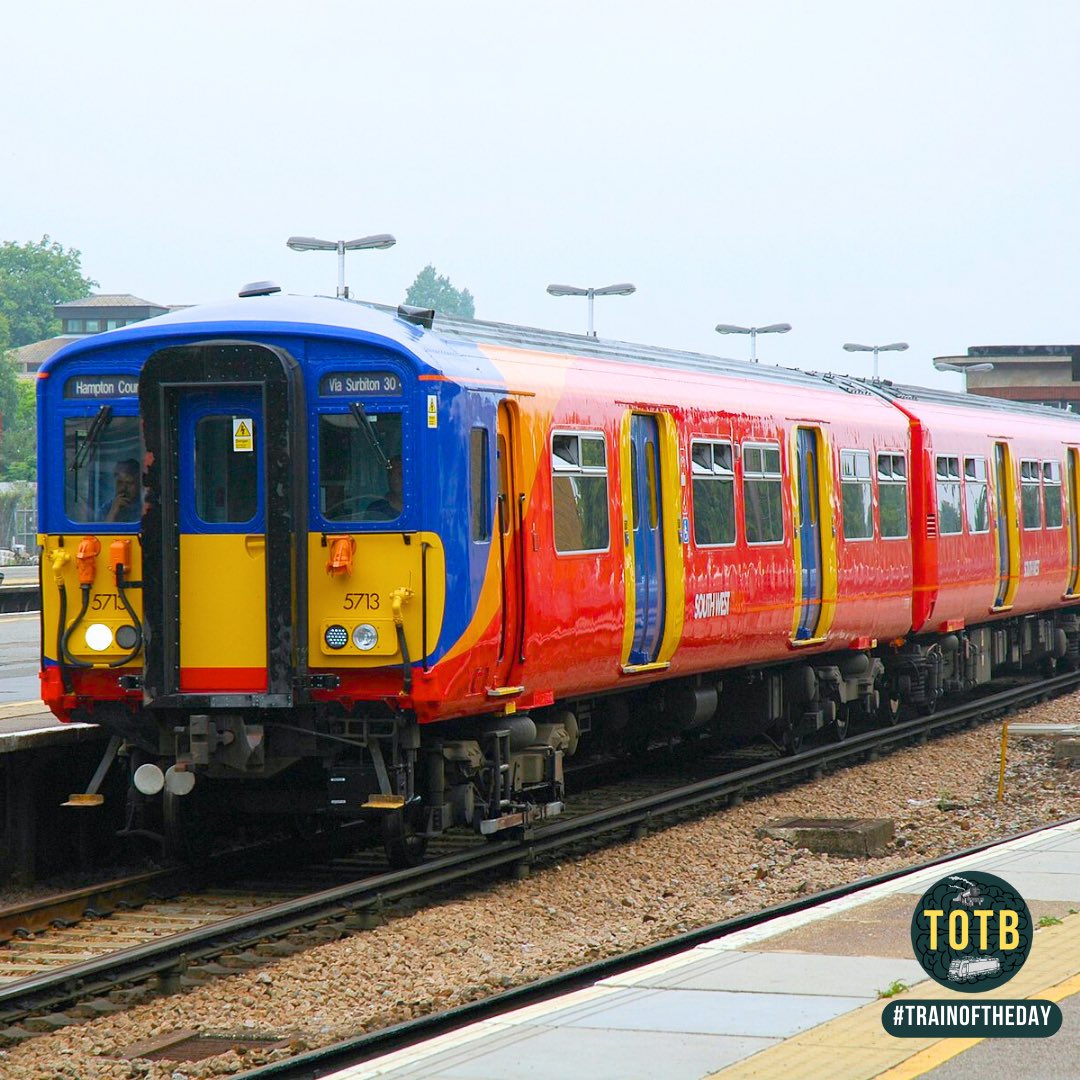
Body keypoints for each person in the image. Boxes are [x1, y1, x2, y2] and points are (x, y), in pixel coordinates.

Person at [364, 455, 403, 519]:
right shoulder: (376, 510)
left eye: (400, 474)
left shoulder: (419, 506)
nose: (395, 479)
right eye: (391, 474)